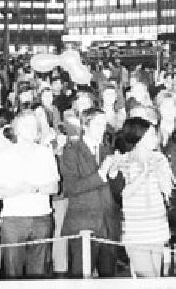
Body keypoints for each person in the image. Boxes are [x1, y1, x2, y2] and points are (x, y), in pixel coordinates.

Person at [0, 112, 60, 279]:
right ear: (16, 130)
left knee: (38, 271)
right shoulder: (5, 156)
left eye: (33, 126)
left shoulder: (46, 154)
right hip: (14, 220)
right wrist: (19, 189)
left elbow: (54, 187)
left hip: (41, 217)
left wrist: (36, 188)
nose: (30, 130)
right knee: (12, 271)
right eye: (25, 125)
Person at [59, 108, 121, 278]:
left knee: (109, 280)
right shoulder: (71, 151)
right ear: (85, 126)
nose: (103, 128)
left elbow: (117, 192)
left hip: (108, 227)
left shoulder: (108, 151)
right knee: (80, 279)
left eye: (104, 124)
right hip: (83, 226)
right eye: (98, 124)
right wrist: (101, 173)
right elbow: (71, 187)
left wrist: (115, 175)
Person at [114, 116, 174, 278]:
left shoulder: (160, 159)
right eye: (151, 135)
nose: (155, 139)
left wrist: (164, 176)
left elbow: (167, 192)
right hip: (136, 230)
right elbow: (123, 195)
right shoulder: (124, 161)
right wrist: (144, 174)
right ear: (139, 138)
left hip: (157, 227)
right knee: (147, 279)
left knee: (156, 277)